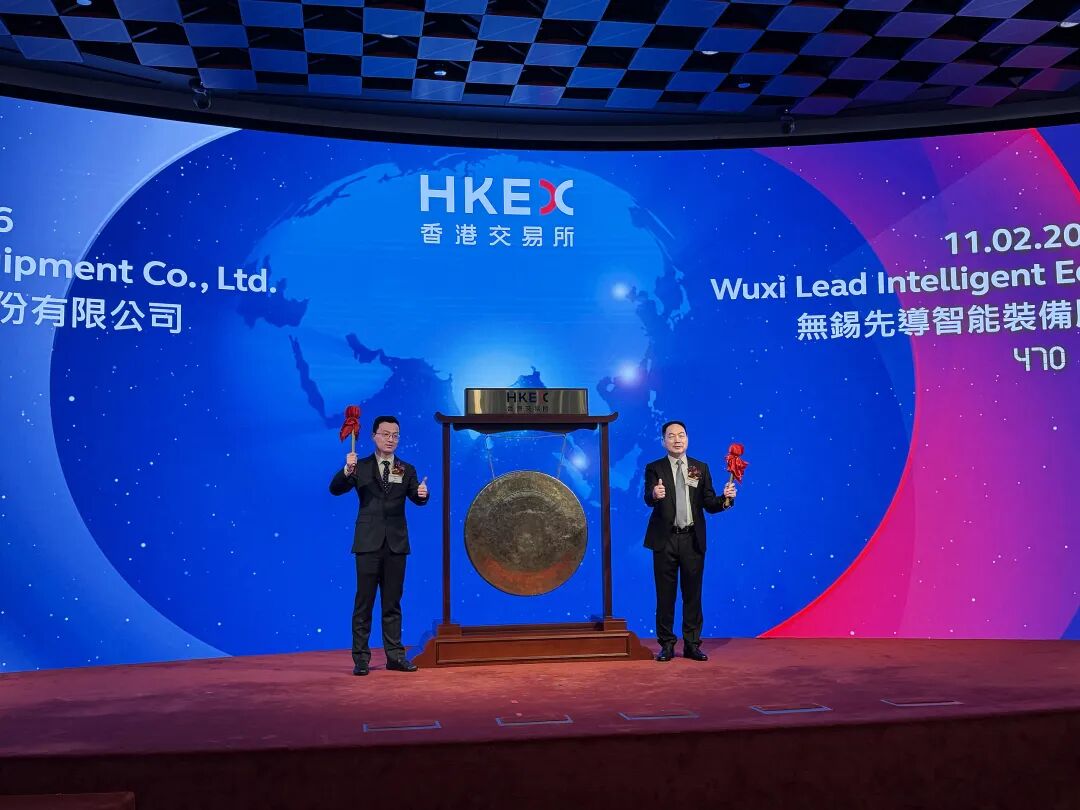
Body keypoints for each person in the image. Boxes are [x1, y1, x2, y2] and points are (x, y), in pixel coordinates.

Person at [330, 415, 429, 676]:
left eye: (395, 435)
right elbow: (335, 488)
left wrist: (422, 494)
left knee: (392, 603)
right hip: (368, 543)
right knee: (364, 603)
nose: (390, 439)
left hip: (396, 544)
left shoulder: (406, 469)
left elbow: (416, 497)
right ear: (374, 436)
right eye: (385, 434)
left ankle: (395, 656)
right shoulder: (359, 466)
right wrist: (347, 469)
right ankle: (361, 659)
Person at [642, 420, 737, 662]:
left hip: (692, 540)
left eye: (681, 435)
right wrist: (654, 494)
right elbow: (648, 497)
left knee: (692, 595)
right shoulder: (655, 468)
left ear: (687, 439)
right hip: (665, 541)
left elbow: (709, 503)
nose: (677, 440)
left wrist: (726, 499)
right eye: (671, 436)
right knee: (665, 596)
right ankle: (666, 645)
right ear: (663, 441)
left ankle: (692, 644)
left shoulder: (698, 468)